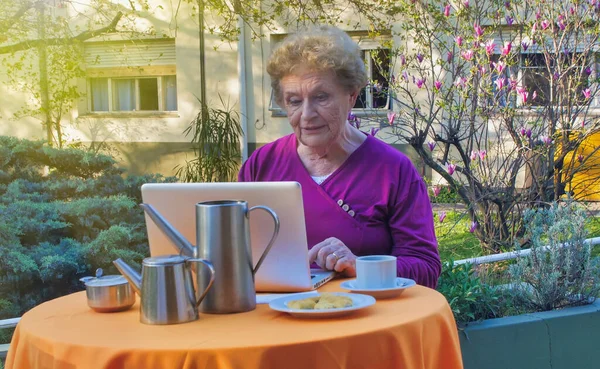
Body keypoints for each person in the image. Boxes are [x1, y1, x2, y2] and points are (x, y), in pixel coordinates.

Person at [238, 25, 441, 288]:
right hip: (279, 318)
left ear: (351, 96)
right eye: (294, 101)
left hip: (364, 318)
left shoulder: (394, 170)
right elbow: (236, 256)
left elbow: (425, 267)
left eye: (321, 97)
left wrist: (360, 266)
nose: (307, 114)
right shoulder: (261, 165)